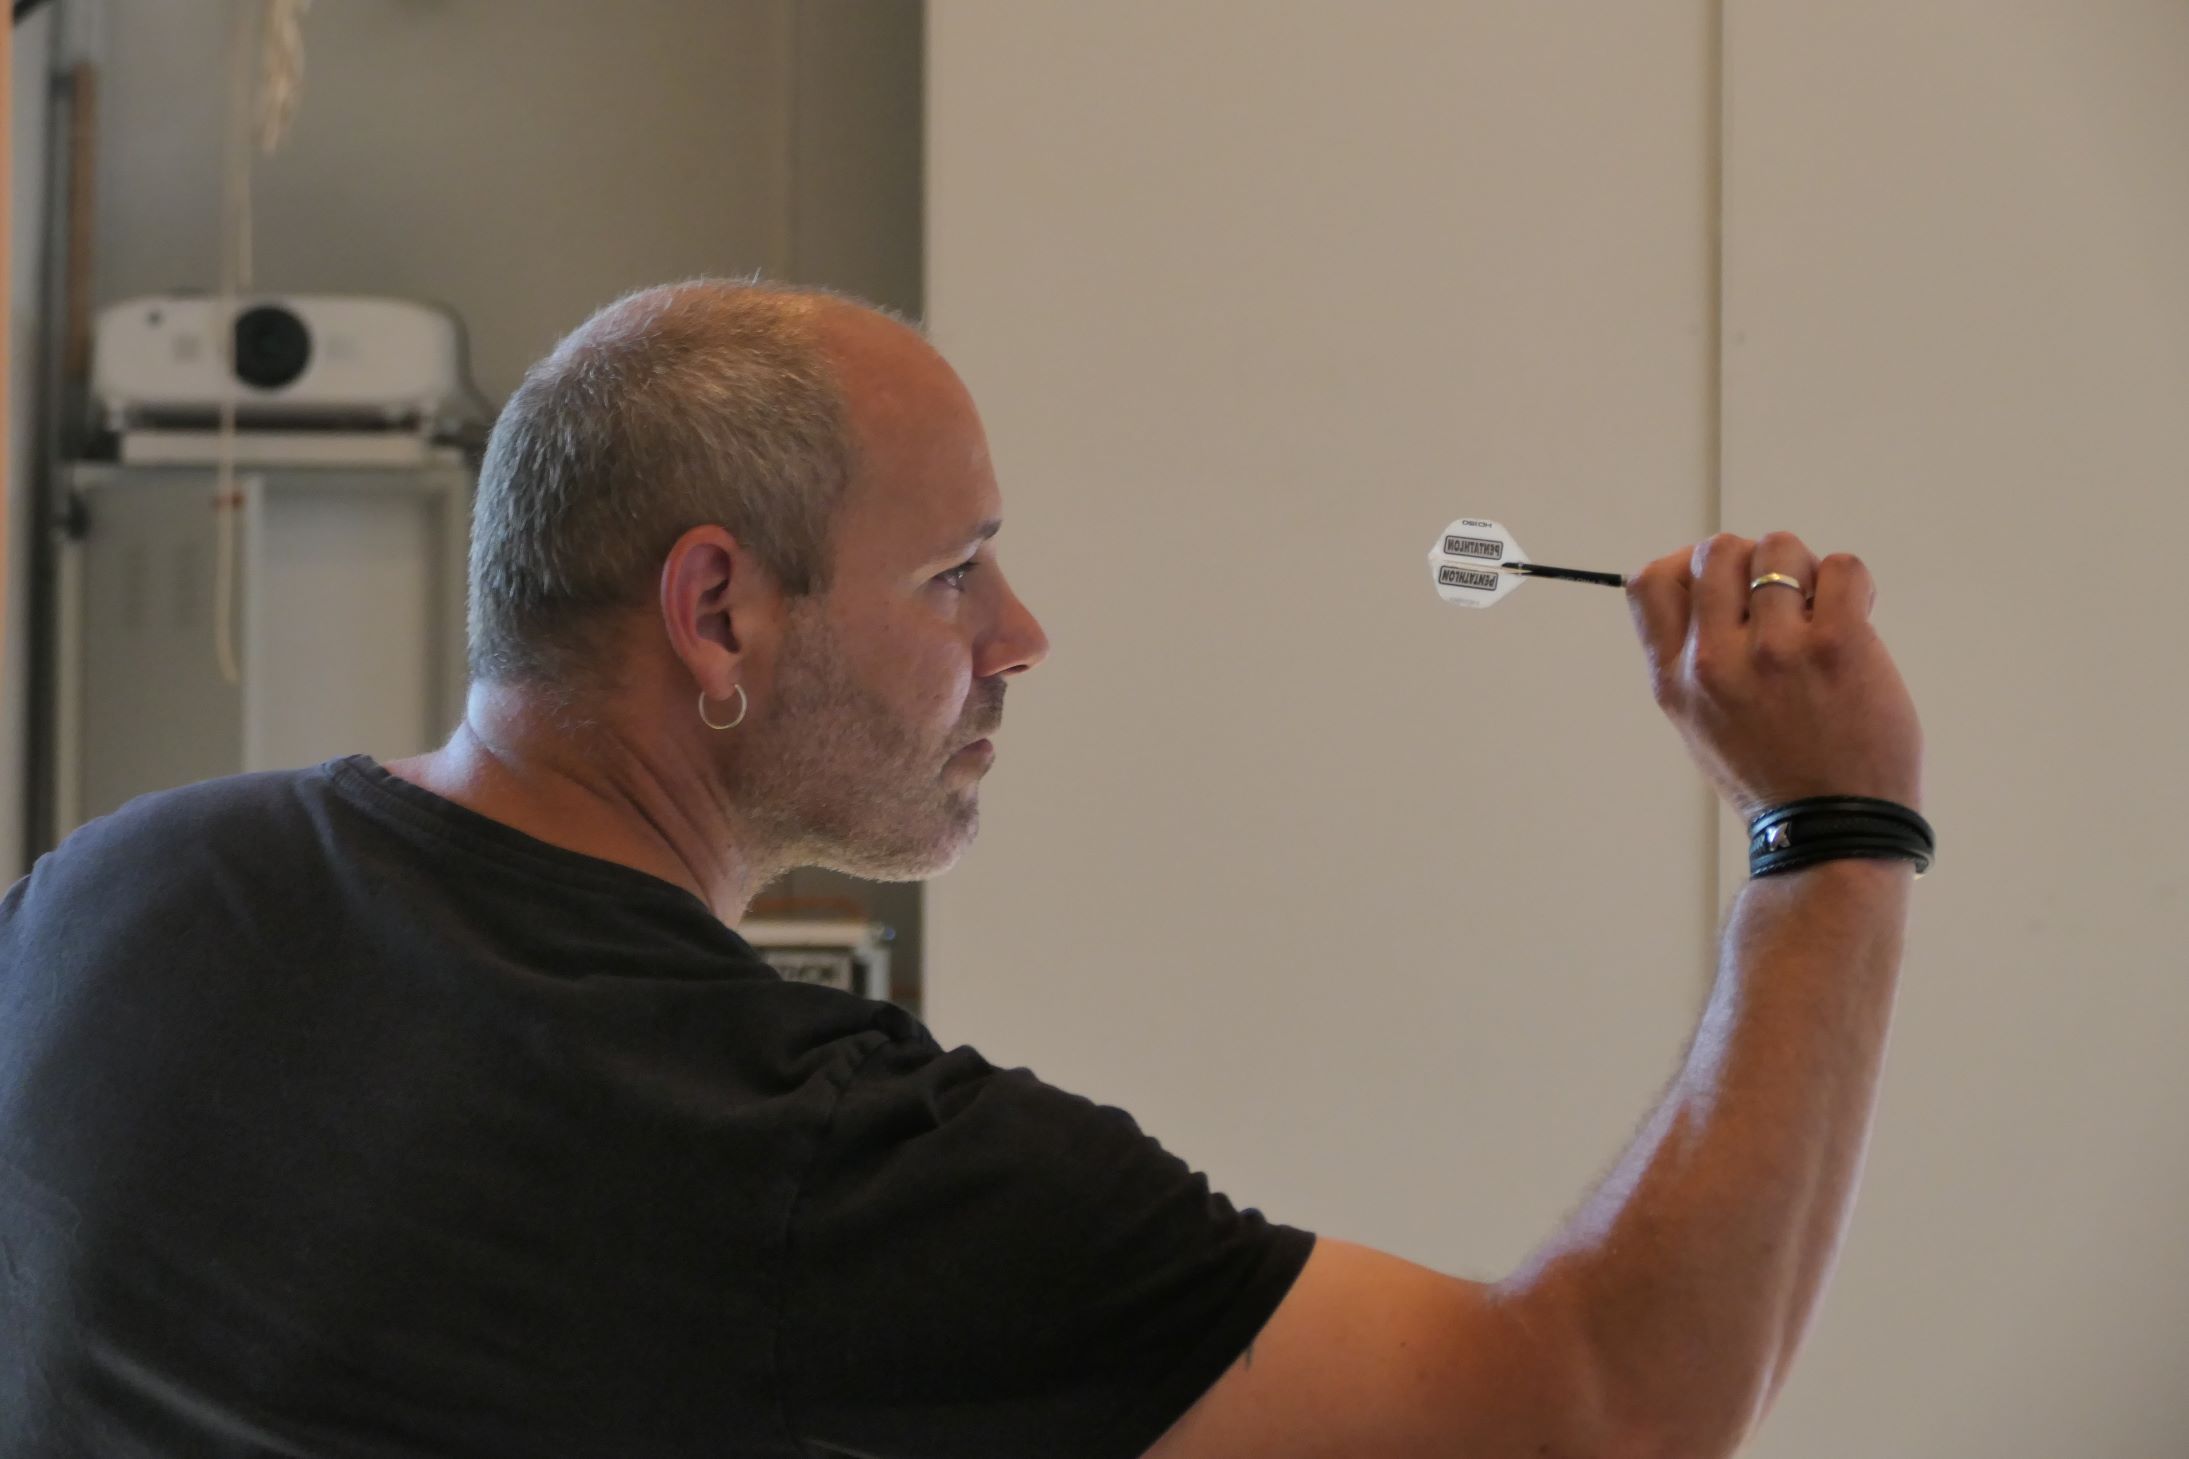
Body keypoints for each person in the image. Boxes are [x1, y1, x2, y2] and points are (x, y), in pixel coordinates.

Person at [0, 278, 1924, 1459]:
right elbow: (1600, 1416)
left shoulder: (108, 889)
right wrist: (1831, 829)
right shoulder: (797, 1154)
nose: (1018, 636)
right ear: (718, 611)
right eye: (952, 574)